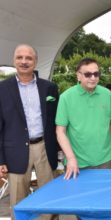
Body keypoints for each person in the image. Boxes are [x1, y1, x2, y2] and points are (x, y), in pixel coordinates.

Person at [0, 44, 59, 219]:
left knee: (50, 196)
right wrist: (1, 159)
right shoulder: (2, 89)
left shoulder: (49, 88)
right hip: (14, 151)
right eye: (20, 57)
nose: (24, 61)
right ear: (14, 60)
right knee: (18, 200)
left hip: (44, 147)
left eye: (29, 58)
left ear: (36, 61)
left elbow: (57, 121)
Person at [56, 58, 111, 180]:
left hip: (106, 160)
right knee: (78, 198)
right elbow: (60, 131)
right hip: (77, 162)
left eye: (96, 74)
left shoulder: (107, 94)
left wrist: (110, 148)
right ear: (78, 76)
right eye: (88, 74)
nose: (93, 78)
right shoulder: (66, 97)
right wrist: (71, 158)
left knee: (108, 197)